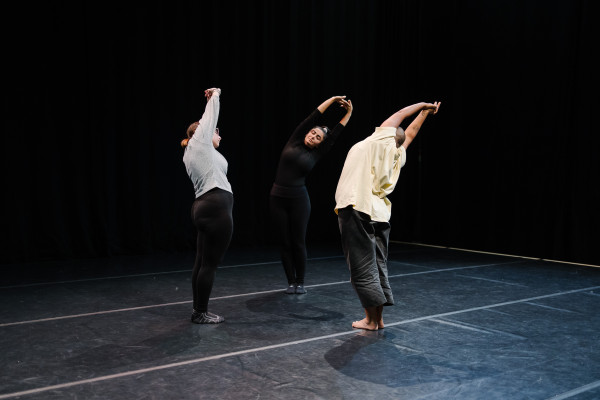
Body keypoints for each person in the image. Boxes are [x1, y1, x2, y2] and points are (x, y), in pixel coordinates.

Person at [335, 101, 441, 330]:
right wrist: (425, 113)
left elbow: (401, 114)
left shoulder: (379, 141)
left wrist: (423, 105)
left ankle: (370, 320)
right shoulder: (398, 154)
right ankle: (378, 319)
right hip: (379, 213)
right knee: (377, 265)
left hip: (357, 205)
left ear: (389, 135)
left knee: (362, 268)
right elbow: (411, 133)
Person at [270, 96, 353, 294]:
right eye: (313, 133)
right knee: (284, 242)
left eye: (317, 138)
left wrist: (349, 112)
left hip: (299, 200)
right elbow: (313, 116)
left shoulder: (316, 154)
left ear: (319, 144)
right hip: (277, 198)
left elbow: (336, 134)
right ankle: (290, 282)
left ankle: (300, 282)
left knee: (298, 242)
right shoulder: (295, 140)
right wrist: (332, 100)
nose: (313, 137)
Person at [181, 87, 233, 324]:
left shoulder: (194, 152)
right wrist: (216, 95)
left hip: (204, 205)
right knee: (210, 264)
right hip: (216, 206)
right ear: (203, 132)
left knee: (202, 262)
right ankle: (200, 313)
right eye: (216, 131)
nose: (219, 134)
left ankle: (198, 310)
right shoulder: (199, 143)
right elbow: (210, 115)